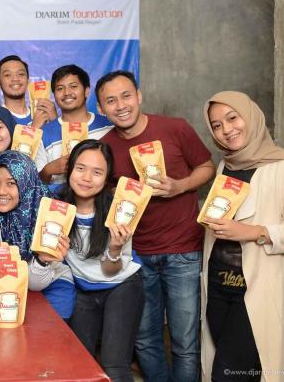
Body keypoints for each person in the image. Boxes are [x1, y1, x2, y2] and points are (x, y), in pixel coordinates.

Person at [201, 91, 284, 382]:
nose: (226, 129)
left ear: (252, 116)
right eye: (217, 125)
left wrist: (254, 232)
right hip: (219, 286)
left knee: (227, 375)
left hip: (258, 290)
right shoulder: (226, 166)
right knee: (243, 373)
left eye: (232, 118)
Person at [96, 70, 215, 382]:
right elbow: (103, 190)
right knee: (145, 339)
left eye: (126, 96)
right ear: (101, 109)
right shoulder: (105, 147)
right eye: (111, 100)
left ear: (139, 96)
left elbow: (207, 167)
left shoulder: (175, 128)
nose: (120, 105)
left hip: (183, 251)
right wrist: (117, 193)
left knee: (185, 343)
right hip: (136, 256)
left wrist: (180, 186)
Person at [34, 139, 144, 382]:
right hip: (82, 288)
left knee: (114, 365)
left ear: (107, 178)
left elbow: (111, 270)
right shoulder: (55, 201)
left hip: (120, 285)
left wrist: (115, 248)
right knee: (80, 362)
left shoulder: (118, 210)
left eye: (97, 172)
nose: (86, 178)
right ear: (70, 169)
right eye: (80, 168)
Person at [0, 151, 75, 319]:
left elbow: (35, 284)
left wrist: (42, 259)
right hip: (12, 290)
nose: (1, 191)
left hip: (50, 287)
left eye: (12, 183)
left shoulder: (48, 215)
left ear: (26, 182)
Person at [39, 65, 112, 188]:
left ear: (86, 91)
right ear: (54, 95)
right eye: (60, 88)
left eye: (73, 86)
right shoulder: (43, 134)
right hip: (58, 199)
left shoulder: (108, 126)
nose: (67, 93)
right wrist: (48, 170)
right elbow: (35, 184)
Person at [0, 55, 56, 128]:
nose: (15, 78)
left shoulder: (42, 113)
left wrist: (55, 122)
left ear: (28, 81)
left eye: (21, 74)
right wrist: (34, 128)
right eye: (7, 75)